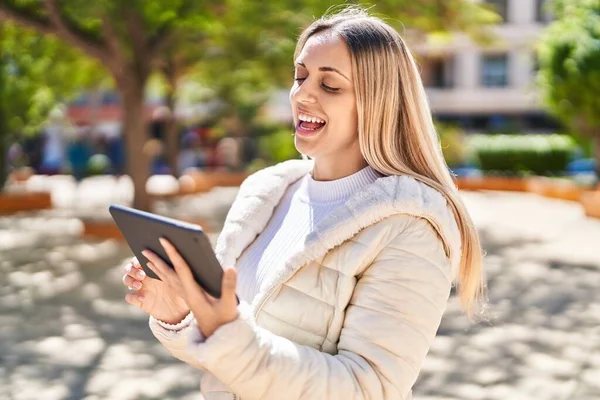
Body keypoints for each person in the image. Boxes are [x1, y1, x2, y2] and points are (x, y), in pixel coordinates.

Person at [122, 7, 485, 400]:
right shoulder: (264, 195)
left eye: (330, 85)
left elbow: (371, 388)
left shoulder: (411, 227)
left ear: (378, 103)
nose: (302, 94)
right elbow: (226, 354)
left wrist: (229, 333)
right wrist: (180, 314)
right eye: (300, 76)